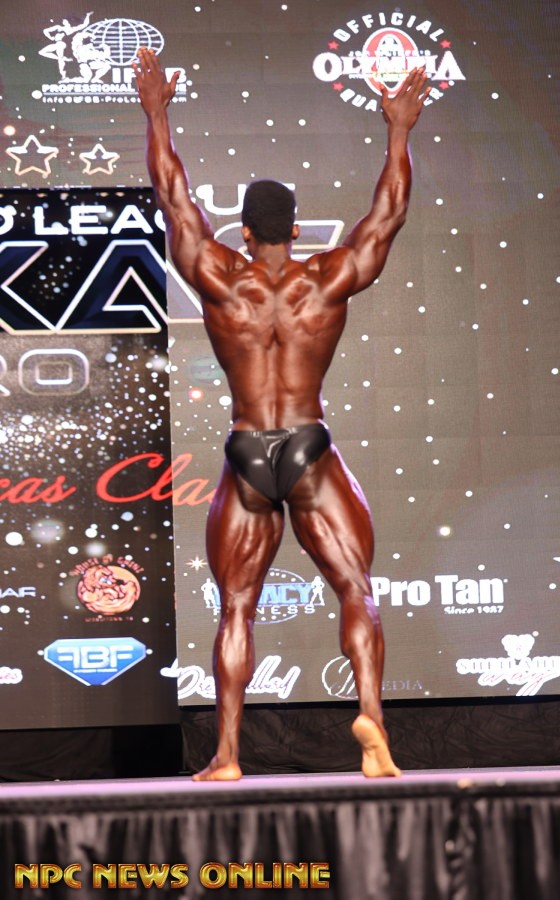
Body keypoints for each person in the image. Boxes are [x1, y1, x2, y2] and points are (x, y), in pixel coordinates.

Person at [134, 47, 430, 781]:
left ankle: (228, 756)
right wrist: (399, 131)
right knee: (355, 589)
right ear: (296, 230)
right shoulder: (326, 277)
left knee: (237, 605)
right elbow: (388, 215)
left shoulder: (216, 273)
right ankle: (374, 729)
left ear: (242, 231)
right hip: (307, 442)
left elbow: (172, 195)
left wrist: (157, 114)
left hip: (246, 448)